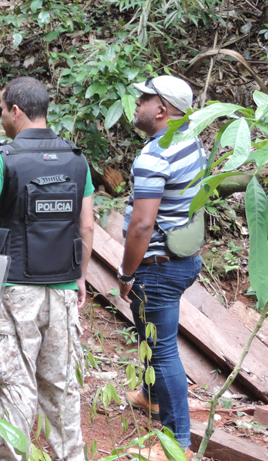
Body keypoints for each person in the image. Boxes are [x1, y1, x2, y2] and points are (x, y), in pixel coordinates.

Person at [0, 77, 94, 461]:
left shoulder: (2, 158)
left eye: (1, 110)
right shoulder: (77, 159)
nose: (0, 118)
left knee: (12, 382)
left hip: (10, 286)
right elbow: (87, 224)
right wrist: (79, 276)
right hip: (62, 286)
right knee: (62, 386)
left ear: (15, 110)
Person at [118, 76, 206, 461]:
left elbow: (141, 225)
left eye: (144, 98)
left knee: (163, 349)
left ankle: (177, 443)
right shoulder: (192, 141)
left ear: (162, 109)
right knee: (152, 333)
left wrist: (125, 272)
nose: (136, 103)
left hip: (158, 265)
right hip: (185, 258)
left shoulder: (155, 156)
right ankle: (152, 398)